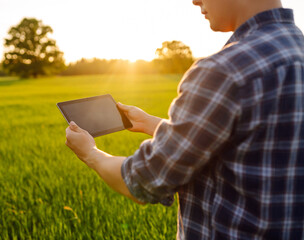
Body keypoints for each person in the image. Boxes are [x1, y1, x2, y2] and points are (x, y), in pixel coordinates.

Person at [65, 0, 304, 239]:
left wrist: (90, 153)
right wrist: (153, 124)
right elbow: (255, 148)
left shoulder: (224, 70)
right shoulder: (295, 50)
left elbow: (143, 181)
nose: (195, 1)